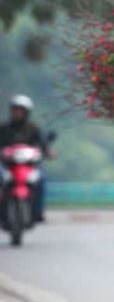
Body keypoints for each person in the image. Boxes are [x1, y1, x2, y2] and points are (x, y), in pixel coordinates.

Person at [0, 95, 52, 223]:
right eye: (15, 110)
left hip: (29, 166)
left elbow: (42, 143)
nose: (18, 113)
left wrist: (47, 152)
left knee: (41, 180)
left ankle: (38, 211)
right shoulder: (4, 128)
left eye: (21, 110)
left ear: (26, 112)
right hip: (8, 166)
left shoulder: (33, 128)